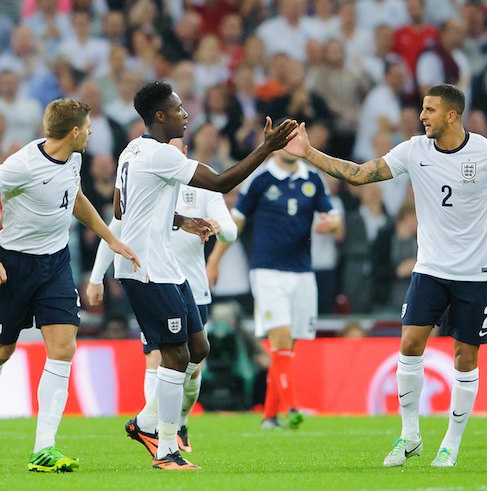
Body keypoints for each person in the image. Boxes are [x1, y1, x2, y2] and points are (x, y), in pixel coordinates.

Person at [282, 83, 487, 467]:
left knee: (465, 358)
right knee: (409, 344)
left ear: (452, 115)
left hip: (476, 274)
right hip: (431, 269)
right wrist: (307, 153)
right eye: (422, 109)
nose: (422, 116)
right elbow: (358, 174)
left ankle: (450, 443)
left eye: (430, 110)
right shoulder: (414, 150)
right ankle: (410, 435)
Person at [114, 81, 296, 470]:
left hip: (165, 265)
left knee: (199, 348)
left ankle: (144, 423)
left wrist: (177, 219)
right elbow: (220, 182)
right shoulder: (161, 155)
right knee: (176, 353)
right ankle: (165, 447)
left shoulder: (132, 150)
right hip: (145, 268)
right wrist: (267, 148)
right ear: (160, 116)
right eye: (179, 109)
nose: (186, 114)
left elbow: (120, 207)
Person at [0, 98, 139, 473]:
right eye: (88, 127)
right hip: (13, 266)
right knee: (0, 351)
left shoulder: (73, 159)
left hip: (55, 265)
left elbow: (73, 198)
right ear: (74, 131)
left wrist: (109, 237)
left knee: (63, 347)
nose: (91, 132)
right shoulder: (21, 165)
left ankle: (44, 447)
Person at [86, 177, 237, 453]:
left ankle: (179, 422)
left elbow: (231, 231)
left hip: (193, 287)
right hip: (154, 282)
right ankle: (156, 430)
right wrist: (96, 277)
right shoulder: (148, 184)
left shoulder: (202, 189)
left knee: (192, 367)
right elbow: (115, 230)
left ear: (185, 153)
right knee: (157, 357)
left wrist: (218, 227)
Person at [206, 147, 340, 430]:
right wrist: (214, 260)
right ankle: (291, 408)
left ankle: (270, 416)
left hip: (303, 272)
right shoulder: (261, 180)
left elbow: (333, 216)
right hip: (267, 271)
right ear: (278, 146)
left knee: (287, 348)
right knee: (280, 338)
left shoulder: (312, 179)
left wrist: (332, 224)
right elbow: (236, 223)